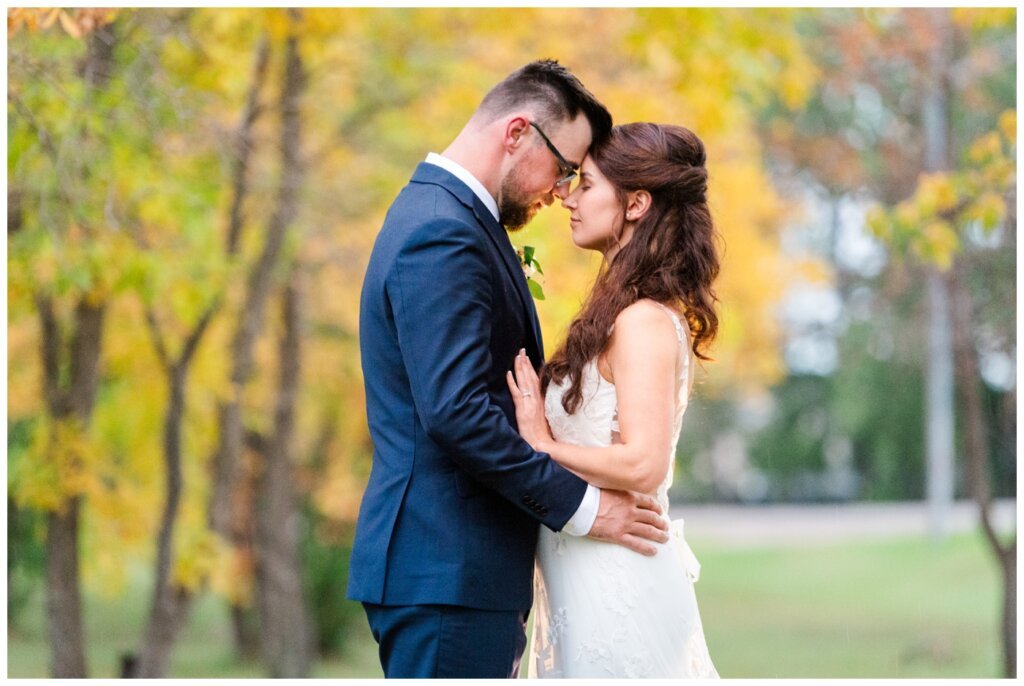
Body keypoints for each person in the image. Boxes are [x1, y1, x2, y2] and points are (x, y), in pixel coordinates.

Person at [348, 61, 671, 679]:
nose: (559, 191)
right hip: (446, 571)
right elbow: (457, 413)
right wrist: (586, 509)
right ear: (517, 133)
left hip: (457, 572)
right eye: (564, 168)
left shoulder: (448, 218)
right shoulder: (441, 231)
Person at [506, 122, 721, 678]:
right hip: (581, 585)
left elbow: (644, 464)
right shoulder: (618, 313)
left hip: (619, 587)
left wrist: (542, 446)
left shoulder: (643, 321)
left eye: (588, 185)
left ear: (635, 204)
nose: (568, 199)